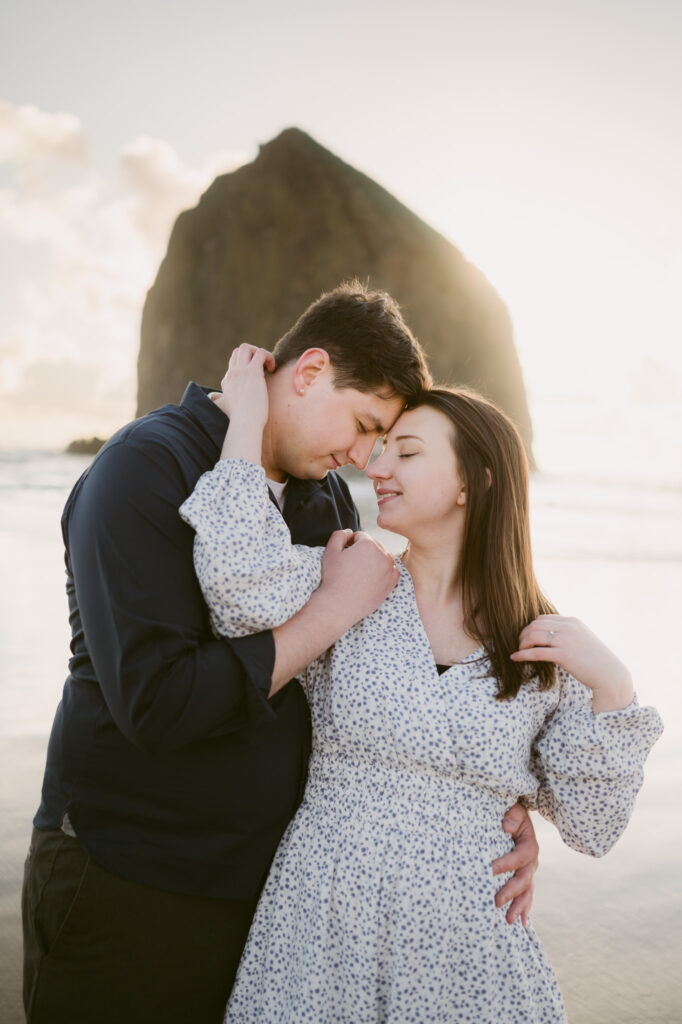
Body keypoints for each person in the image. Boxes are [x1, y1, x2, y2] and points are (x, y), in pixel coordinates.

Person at [22, 282, 539, 1024]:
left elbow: (364, 677)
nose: (363, 458)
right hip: (131, 878)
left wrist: (491, 802)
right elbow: (158, 704)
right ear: (308, 371)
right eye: (365, 425)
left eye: (383, 442)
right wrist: (329, 608)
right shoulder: (143, 468)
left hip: (267, 896)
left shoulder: (322, 496)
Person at [180, 352, 664, 1023]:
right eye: (379, 451)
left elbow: (591, 829)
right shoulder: (348, 581)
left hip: (468, 958)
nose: (374, 468)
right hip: (324, 931)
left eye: (405, 453)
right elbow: (234, 580)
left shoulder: (544, 649)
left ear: (475, 481)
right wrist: (249, 422)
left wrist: (614, 683)